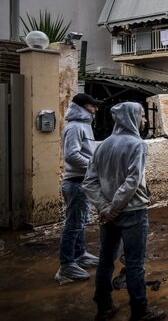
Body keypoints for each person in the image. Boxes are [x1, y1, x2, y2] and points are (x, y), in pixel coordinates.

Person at [83, 102, 164, 321]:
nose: (144, 120)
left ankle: (104, 307)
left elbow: (89, 182)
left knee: (105, 261)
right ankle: (140, 312)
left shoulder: (104, 145)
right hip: (132, 212)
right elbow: (132, 181)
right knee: (135, 264)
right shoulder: (137, 145)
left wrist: (105, 208)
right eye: (142, 116)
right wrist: (112, 208)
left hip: (109, 216)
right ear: (131, 118)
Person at [55, 93, 101, 285]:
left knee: (80, 222)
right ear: (82, 107)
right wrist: (95, 166)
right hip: (75, 182)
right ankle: (66, 266)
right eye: (92, 105)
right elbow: (72, 156)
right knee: (73, 224)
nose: (96, 109)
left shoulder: (84, 126)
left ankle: (80, 254)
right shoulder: (74, 127)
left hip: (83, 181)